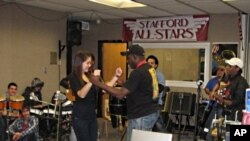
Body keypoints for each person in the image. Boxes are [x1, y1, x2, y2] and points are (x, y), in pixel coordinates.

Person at [90, 44, 160, 141]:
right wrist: (125, 83)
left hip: (141, 115)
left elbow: (120, 94)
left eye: (128, 58)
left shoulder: (138, 72)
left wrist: (98, 83)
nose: (127, 61)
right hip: (150, 111)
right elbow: (143, 86)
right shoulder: (149, 68)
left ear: (135, 57)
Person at [203, 64, 226, 140]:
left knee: (219, 125)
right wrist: (211, 93)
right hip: (213, 105)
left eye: (221, 70)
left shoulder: (226, 82)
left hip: (222, 107)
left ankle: (214, 138)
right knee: (209, 122)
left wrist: (216, 95)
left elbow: (221, 94)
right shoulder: (213, 80)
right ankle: (205, 135)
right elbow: (206, 89)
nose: (219, 71)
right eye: (218, 70)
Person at [146, 55, 166, 132]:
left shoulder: (159, 75)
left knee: (159, 126)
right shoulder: (145, 74)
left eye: (152, 63)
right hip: (146, 104)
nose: (150, 64)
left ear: (156, 65)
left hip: (156, 104)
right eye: (148, 63)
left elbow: (159, 89)